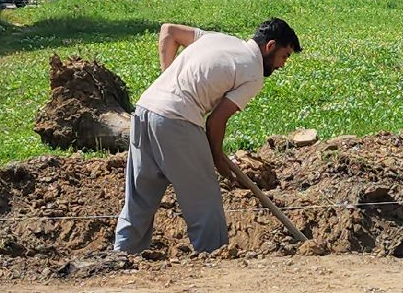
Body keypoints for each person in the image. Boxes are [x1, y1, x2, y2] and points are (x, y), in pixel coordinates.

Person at [114, 18, 301, 255]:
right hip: (177, 121)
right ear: (270, 46)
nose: (282, 65)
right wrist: (217, 158)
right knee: (205, 203)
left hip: (145, 110)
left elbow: (169, 31)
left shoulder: (217, 38)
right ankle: (215, 261)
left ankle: (121, 258)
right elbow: (216, 120)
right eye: (284, 56)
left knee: (139, 200)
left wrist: (167, 80)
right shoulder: (253, 73)